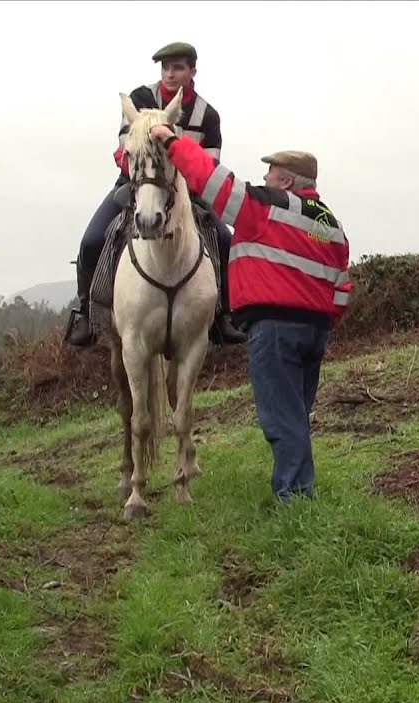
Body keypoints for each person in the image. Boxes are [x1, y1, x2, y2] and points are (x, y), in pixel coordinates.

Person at [149, 122, 351, 501]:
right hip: (315, 332)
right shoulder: (332, 225)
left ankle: (295, 500)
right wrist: (322, 322)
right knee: (296, 415)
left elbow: (213, 181)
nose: (264, 177)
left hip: (274, 330)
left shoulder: (266, 206)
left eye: (270, 172)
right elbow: (342, 287)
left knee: (281, 419)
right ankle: (299, 492)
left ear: (287, 182)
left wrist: (173, 142)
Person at [66, 41, 246, 347]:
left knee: (227, 241)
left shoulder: (207, 115)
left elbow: (208, 162)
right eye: (166, 68)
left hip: (187, 191)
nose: (170, 74)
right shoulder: (140, 99)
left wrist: (181, 184)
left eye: (178, 68)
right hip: (134, 184)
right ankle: (87, 313)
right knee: (92, 240)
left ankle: (223, 316)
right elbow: (124, 149)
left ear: (192, 71)